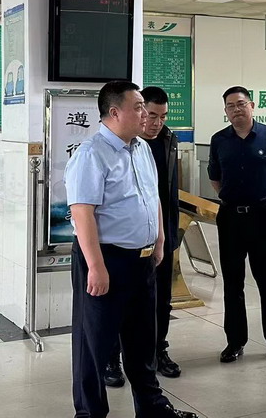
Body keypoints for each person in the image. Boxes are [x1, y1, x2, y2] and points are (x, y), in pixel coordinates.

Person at [65, 81, 197, 418]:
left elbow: (152, 197)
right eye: (137, 107)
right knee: (94, 345)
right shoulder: (91, 154)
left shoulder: (141, 149)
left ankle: (153, 408)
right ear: (114, 112)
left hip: (143, 260)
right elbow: (82, 213)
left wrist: (160, 241)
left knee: (142, 340)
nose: (145, 114)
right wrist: (96, 267)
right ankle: (89, 412)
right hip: (107, 260)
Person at [105, 86, 182, 388]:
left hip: (161, 235)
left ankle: (157, 350)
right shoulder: (126, 145)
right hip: (126, 242)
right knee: (121, 302)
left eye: (163, 117)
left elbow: (166, 193)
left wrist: (167, 236)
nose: (156, 122)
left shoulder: (169, 141)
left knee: (161, 300)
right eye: (151, 115)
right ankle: (112, 358)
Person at [208, 86, 266, 366]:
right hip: (230, 218)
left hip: (261, 217)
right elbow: (215, 177)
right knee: (233, 284)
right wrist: (230, 198)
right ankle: (235, 342)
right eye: (230, 106)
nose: (236, 110)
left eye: (241, 104)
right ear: (226, 111)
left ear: (252, 106)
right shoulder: (219, 140)